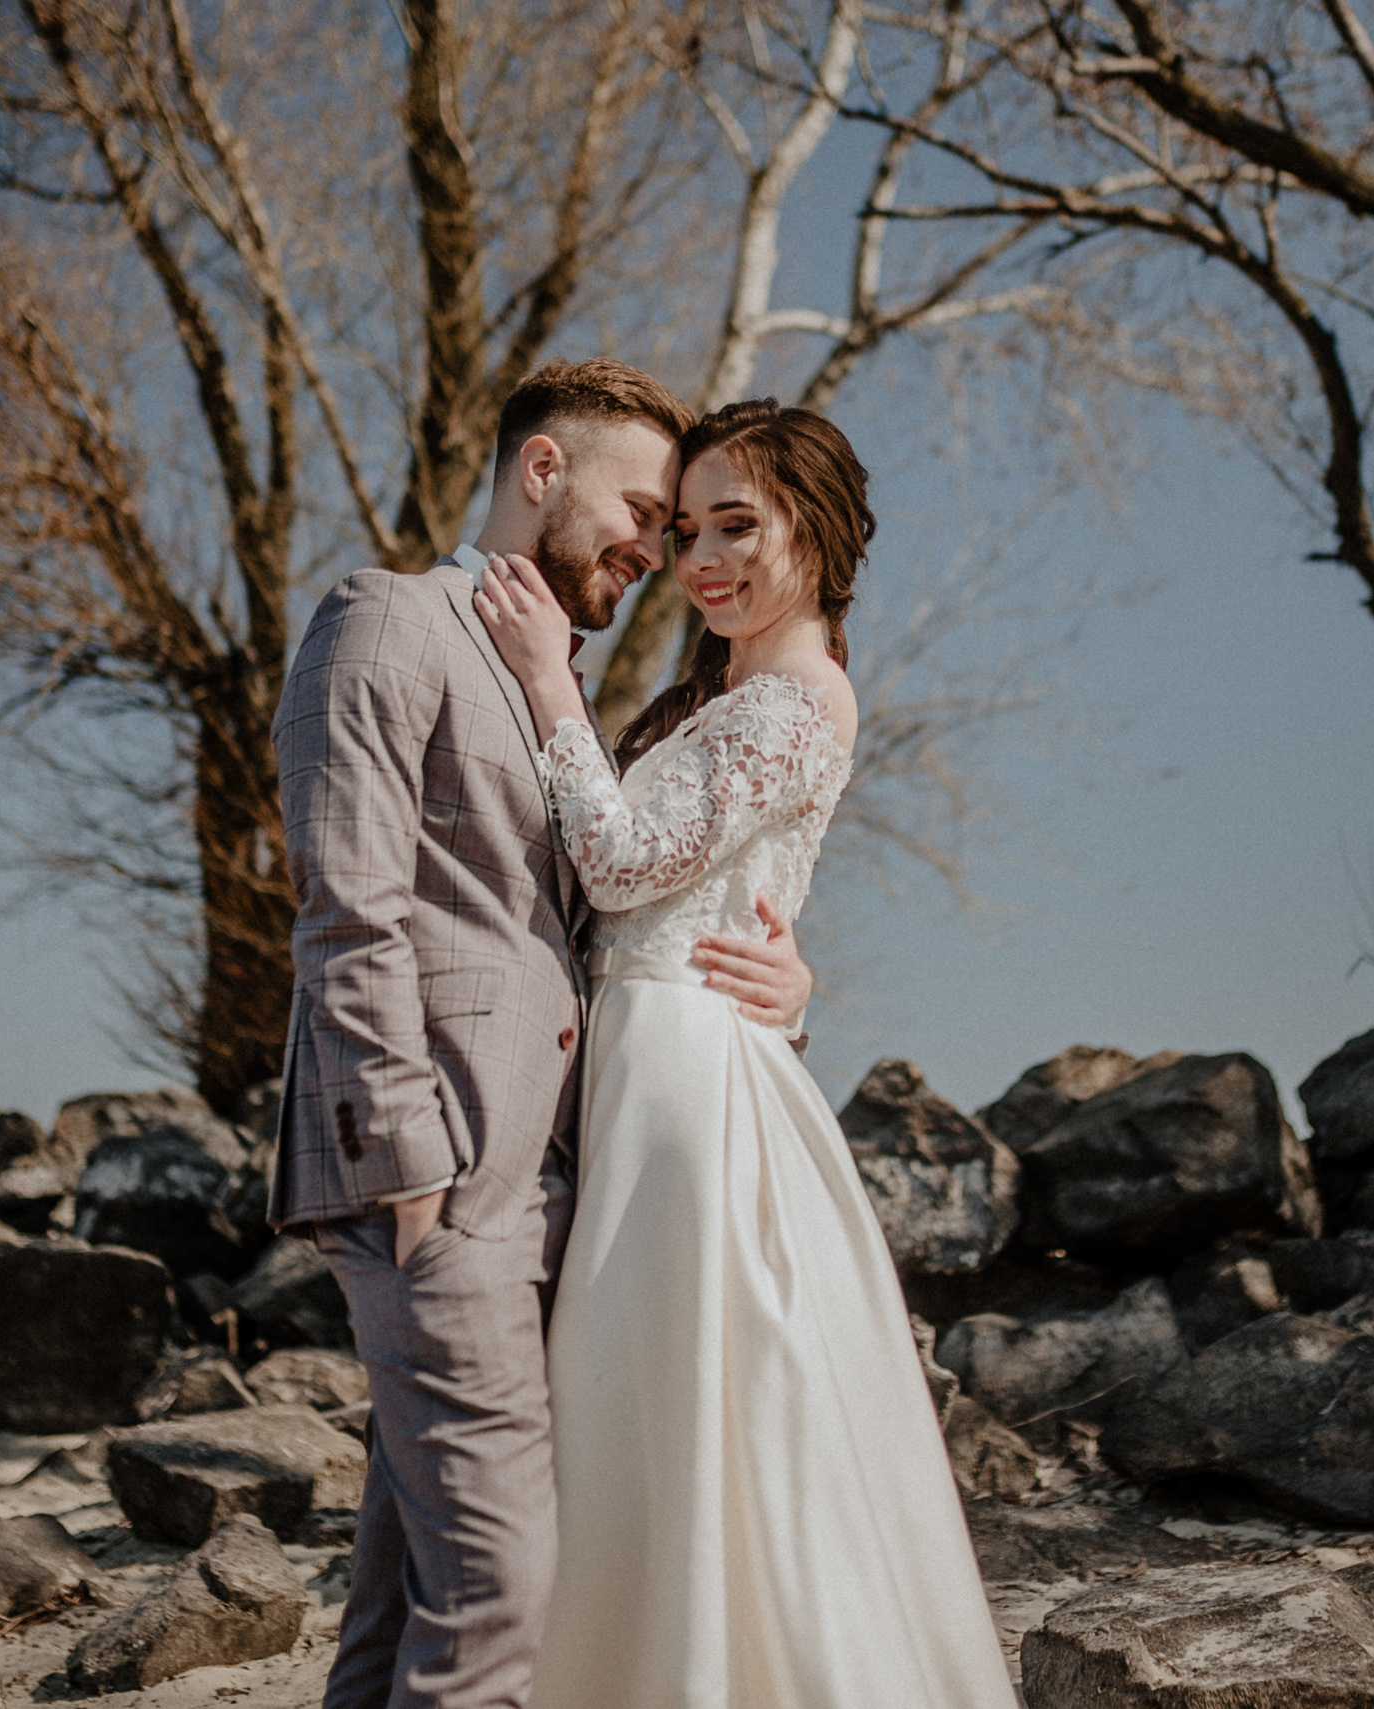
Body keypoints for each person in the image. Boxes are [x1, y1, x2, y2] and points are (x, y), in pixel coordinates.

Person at [269, 359, 816, 1709]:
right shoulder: (387, 620)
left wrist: (781, 982)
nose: (658, 546)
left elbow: (621, 918)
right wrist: (404, 1162)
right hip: (441, 1181)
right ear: (542, 470)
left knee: (403, 1604)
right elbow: (348, 905)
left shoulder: (564, 693)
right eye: (644, 508)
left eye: (681, 528)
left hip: (554, 1202)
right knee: (507, 1589)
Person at [472, 399, 1016, 1708]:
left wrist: (548, 677)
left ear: (816, 537)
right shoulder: (727, 688)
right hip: (650, 1060)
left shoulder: (796, 695)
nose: (701, 559)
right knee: (647, 1414)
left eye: (737, 526)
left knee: (693, 1408)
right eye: (686, 530)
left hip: (692, 1090)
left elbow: (619, 860)